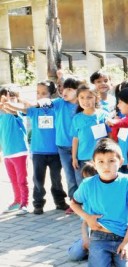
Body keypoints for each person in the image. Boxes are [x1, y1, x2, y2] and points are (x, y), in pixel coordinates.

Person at [68, 138, 128, 267]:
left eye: (111, 161)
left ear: (121, 162)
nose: (106, 165)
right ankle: (102, 260)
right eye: (100, 161)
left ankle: (113, 261)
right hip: (99, 237)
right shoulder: (88, 184)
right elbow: (74, 204)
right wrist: (87, 217)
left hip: (121, 236)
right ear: (94, 163)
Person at [13, 81, 68, 214]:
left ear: (51, 94)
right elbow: (21, 108)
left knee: (56, 179)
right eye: (38, 93)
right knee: (38, 179)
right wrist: (10, 103)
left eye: (44, 93)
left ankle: (60, 202)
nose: (40, 95)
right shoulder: (34, 109)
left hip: (55, 151)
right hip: (38, 151)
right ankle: (38, 204)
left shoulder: (57, 108)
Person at [70, 85, 110, 185]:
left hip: (100, 157)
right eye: (82, 97)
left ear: (96, 98)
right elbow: (75, 139)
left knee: (101, 184)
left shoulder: (104, 115)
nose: (85, 101)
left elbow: (110, 136)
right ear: (77, 99)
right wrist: (74, 157)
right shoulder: (76, 118)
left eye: (89, 97)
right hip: (82, 158)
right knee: (83, 185)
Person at [53, 77, 85, 199]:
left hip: (79, 147)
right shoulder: (60, 102)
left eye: (70, 89)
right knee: (69, 176)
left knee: (80, 176)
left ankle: (83, 201)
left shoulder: (82, 105)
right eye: (63, 88)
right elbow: (44, 103)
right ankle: (73, 201)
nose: (64, 91)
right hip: (63, 146)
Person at [0, 88, 30, 213]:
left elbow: (13, 110)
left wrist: (9, 104)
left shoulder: (16, 113)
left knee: (22, 180)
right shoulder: (1, 116)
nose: (7, 102)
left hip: (20, 152)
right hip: (7, 154)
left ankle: (24, 203)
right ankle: (17, 201)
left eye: (12, 98)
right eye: (4, 99)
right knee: (13, 180)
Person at [67, 162, 97, 261]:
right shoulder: (85, 197)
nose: (86, 182)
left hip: (108, 234)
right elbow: (85, 223)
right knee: (74, 255)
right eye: (84, 178)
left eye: (89, 178)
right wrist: (85, 238)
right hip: (91, 233)